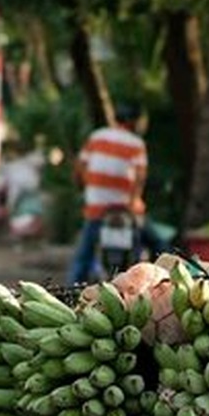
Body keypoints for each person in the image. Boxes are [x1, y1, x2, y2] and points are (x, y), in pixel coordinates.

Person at [67, 103, 147, 285]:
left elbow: (80, 167)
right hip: (124, 209)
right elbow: (140, 177)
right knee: (152, 246)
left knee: (84, 254)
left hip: (97, 208)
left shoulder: (97, 137)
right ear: (134, 122)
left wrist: (82, 187)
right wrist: (134, 201)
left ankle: (69, 292)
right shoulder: (136, 144)